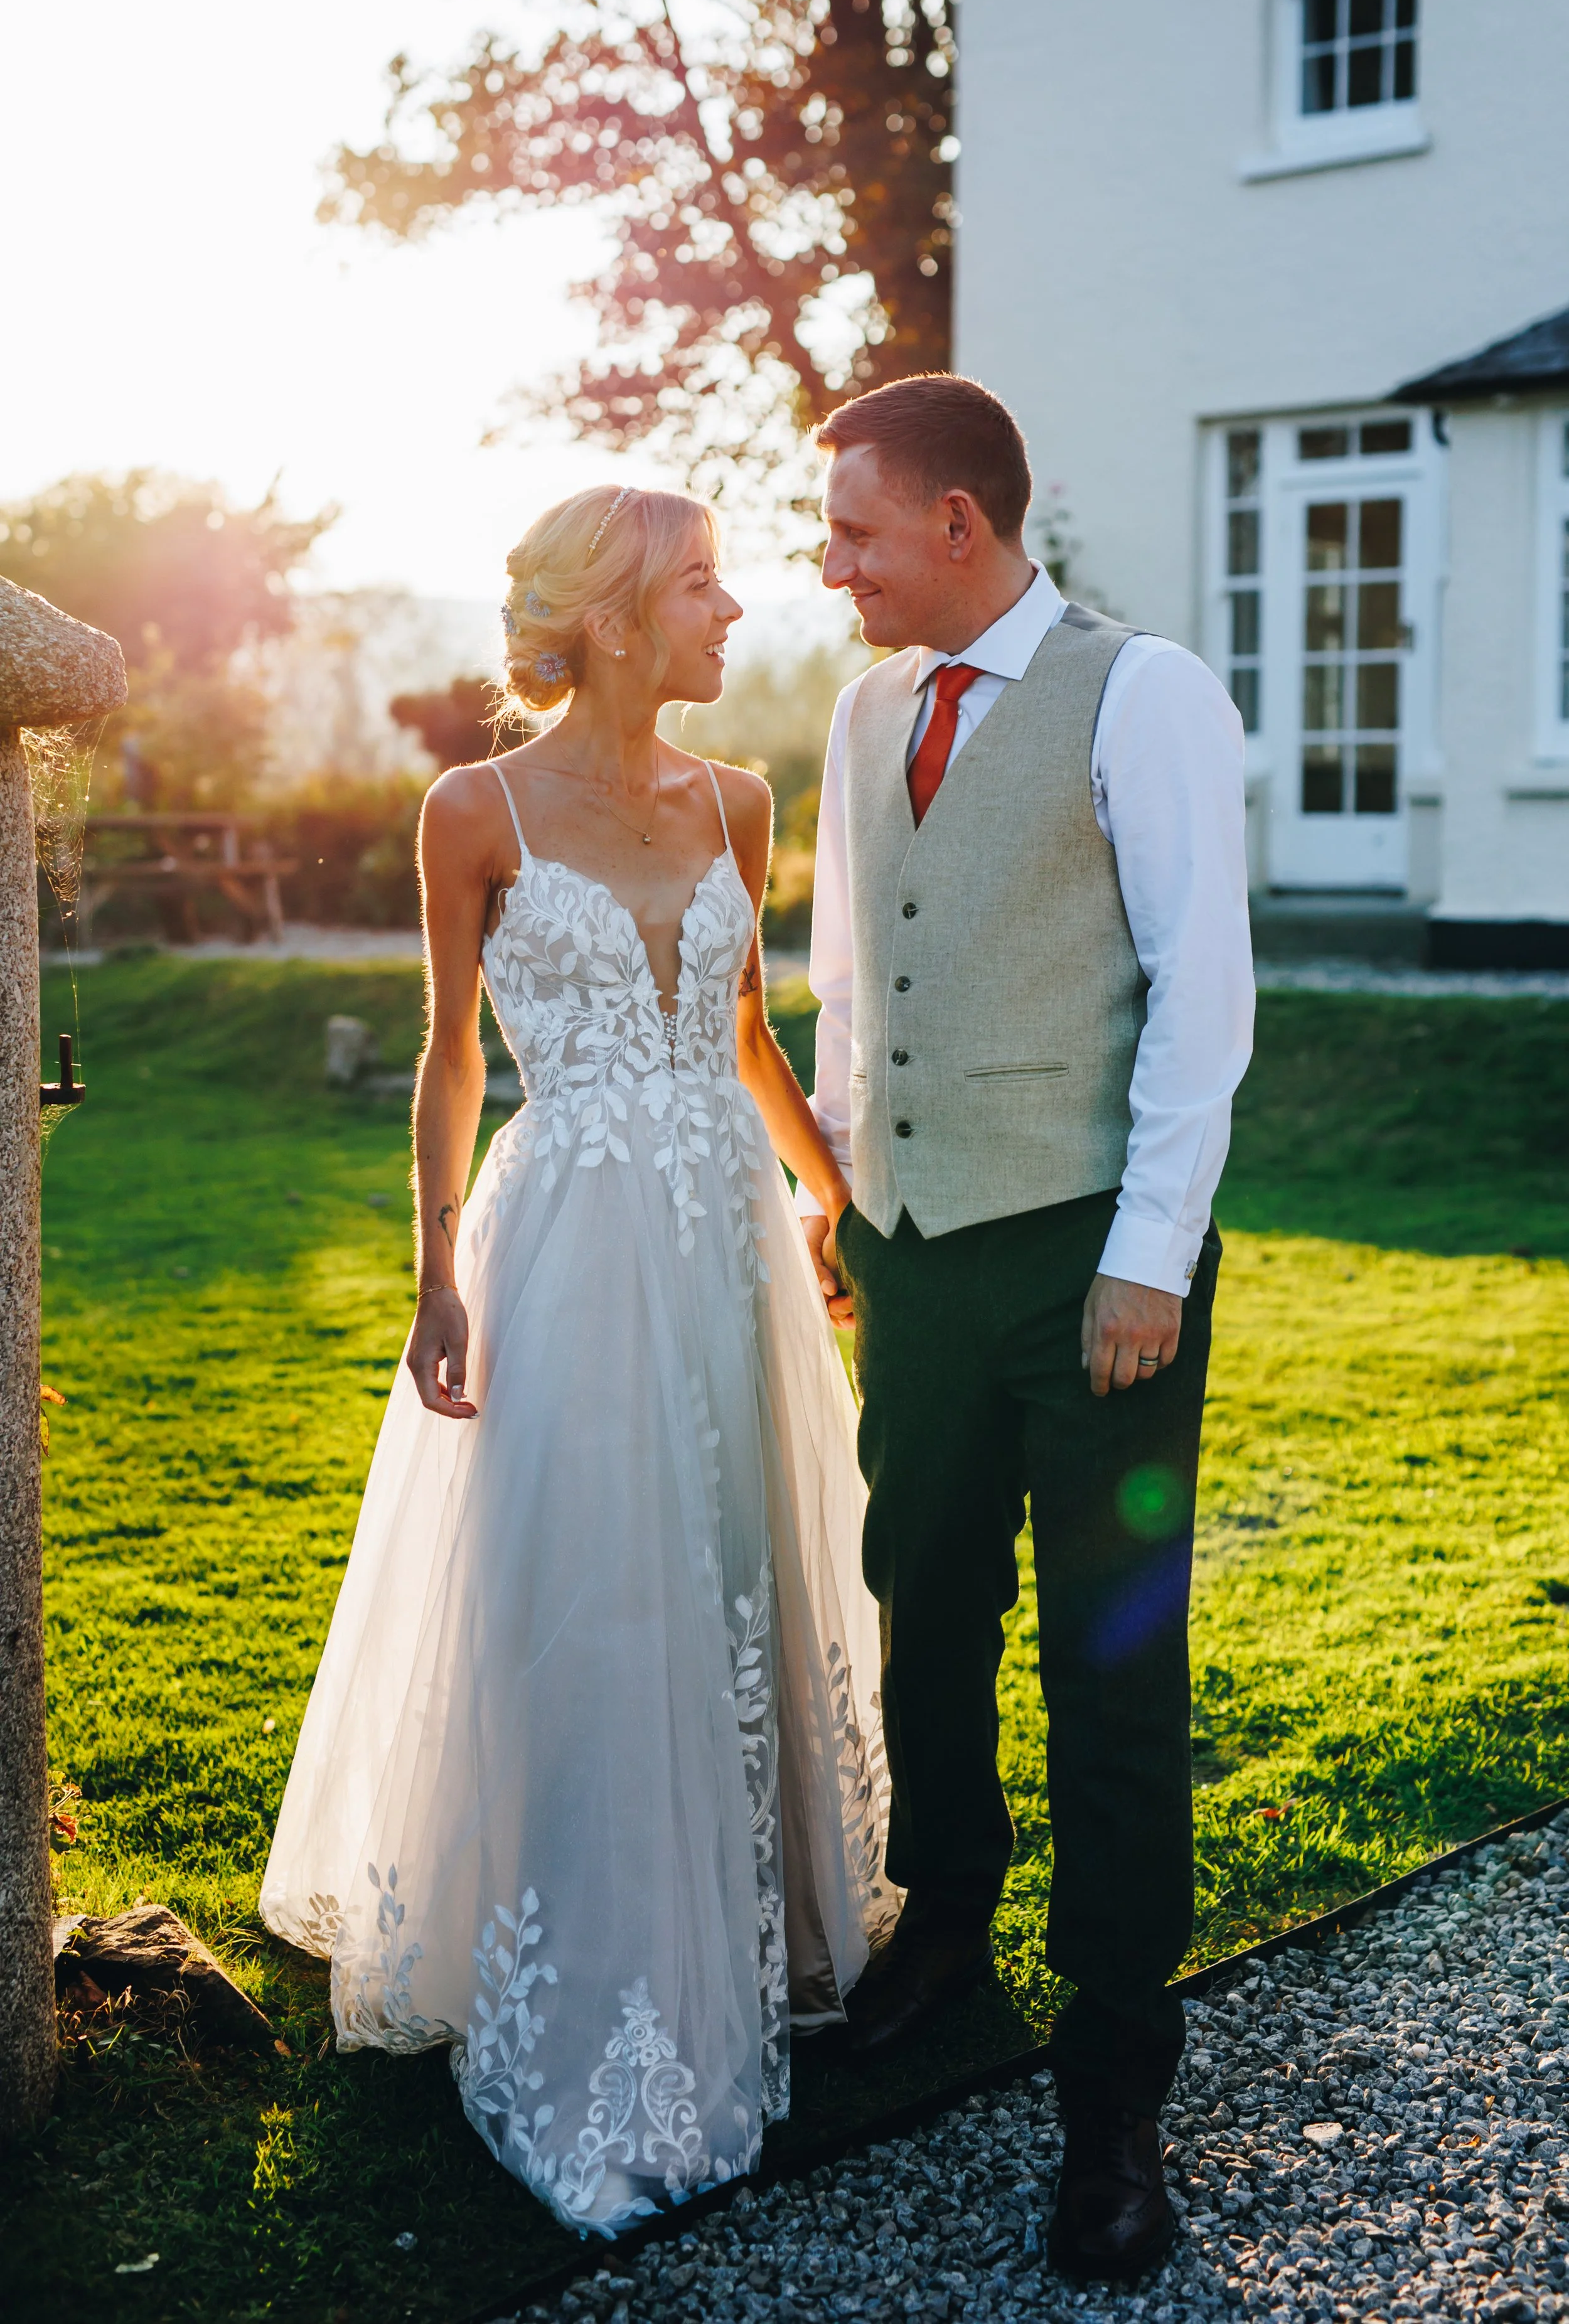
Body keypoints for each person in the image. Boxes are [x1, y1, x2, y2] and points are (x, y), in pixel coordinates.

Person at [260, 486, 894, 2238]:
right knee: (594, 1581)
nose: (735, 608)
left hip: (723, 1238)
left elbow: (751, 1026)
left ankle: (766, 1913)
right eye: (703, 584)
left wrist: (826, 1196)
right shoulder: (470, 808)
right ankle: (601, 1952)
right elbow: (453, 1050)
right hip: (563, 1243)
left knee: (745, 1559)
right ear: (615, 616)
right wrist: (433, 1262)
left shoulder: (736, 796)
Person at [795, 375, 1254, 2283]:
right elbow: (844, 968)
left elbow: (1202, 990)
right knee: (927, 1603)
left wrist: (1148, 1256)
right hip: (913, 1251)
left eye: (853, 534)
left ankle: (1115, 2083)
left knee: (1109, 1669)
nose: (830, 568)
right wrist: (842, 1194)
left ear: (959, 527)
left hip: (1092, 1272)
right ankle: (947, 1920)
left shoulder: (1140, 692)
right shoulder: (862, 706)